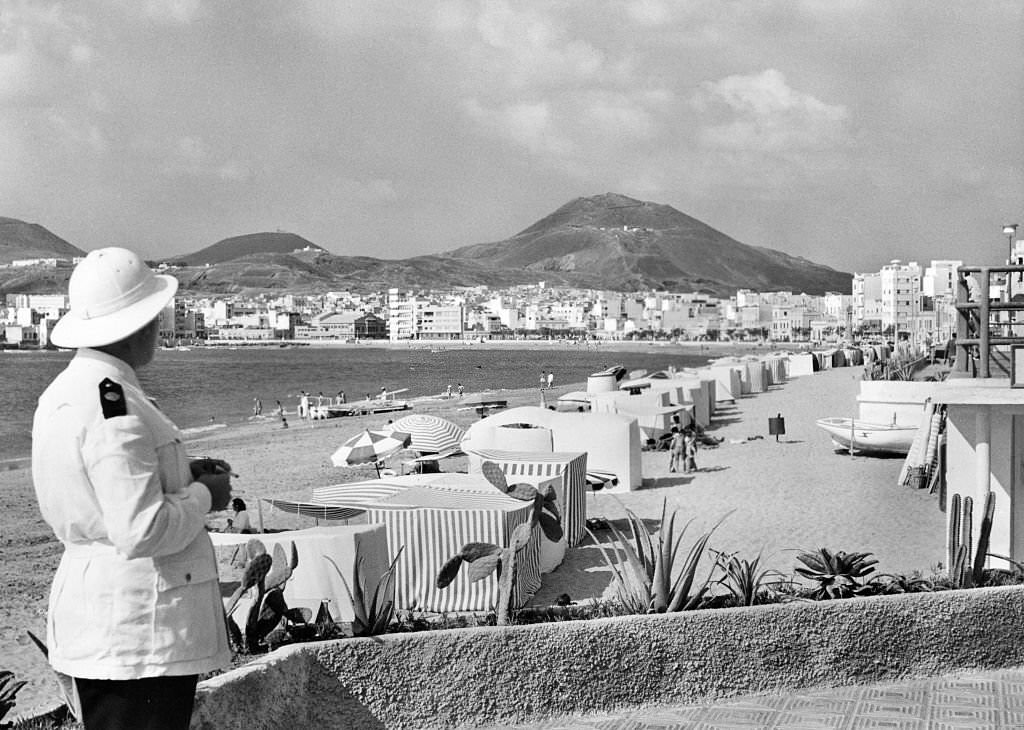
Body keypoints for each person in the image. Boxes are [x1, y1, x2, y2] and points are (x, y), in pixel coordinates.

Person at [31, 247, 232, 730]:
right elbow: (141, 529)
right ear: (139, 324)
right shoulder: (111, 403)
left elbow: (105, 492)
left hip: (107, 621)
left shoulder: (67, 391)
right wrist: (207, 495)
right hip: (139, 631)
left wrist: (183, 474)